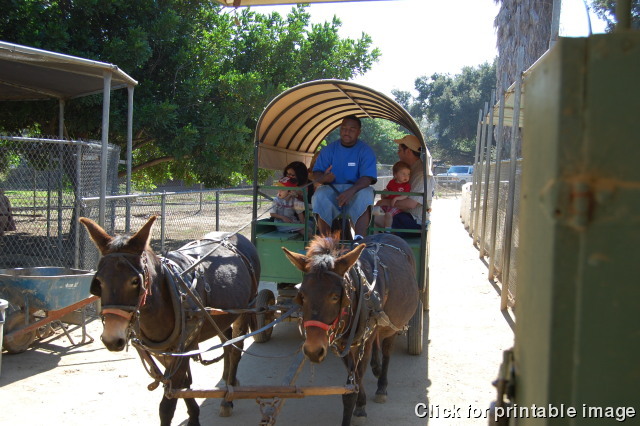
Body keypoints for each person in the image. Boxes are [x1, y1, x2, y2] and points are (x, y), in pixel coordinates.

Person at [311, 115, 377, 239]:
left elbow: (367, 178)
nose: (347, 132)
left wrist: (351, 191)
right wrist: (324, 178)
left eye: (352, 129)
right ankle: (326, 239)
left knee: (367, 193)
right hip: (332, 188)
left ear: (358, 132)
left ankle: (359, 238)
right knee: (320, 194)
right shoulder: (328, 150)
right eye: (344, 128)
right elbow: (317, 173)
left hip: (356, 189)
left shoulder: (366, 151)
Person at [376, 134, 434, 237]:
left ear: (408, 151)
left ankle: (369, 243)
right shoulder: (406, 170)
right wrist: (385, 194)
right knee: (372, 214)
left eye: (399, 150)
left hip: (414, 220)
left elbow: (411, 204)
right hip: (402, 215)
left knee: (371, 218)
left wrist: (385, 202)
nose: (398, 153)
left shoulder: (421, 173)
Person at [372, 160, 411, 232]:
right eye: (403, 174)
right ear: (395, 175)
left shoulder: (406, 185)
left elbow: (405, 195)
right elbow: (388, 193)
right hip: (387, 204)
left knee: (388, 214)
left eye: (408, 174)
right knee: (375, 209)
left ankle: (388, 229)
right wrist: (385, 193)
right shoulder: (391, 182)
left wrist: (396, 199)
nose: (406, 176)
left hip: (397, 206)